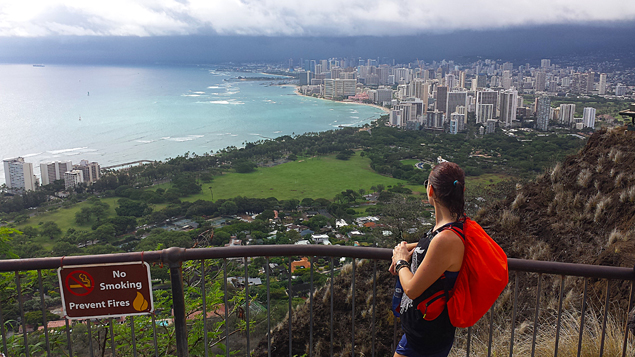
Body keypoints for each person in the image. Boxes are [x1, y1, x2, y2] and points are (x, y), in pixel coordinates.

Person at [390, 162, 466, 357]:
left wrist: (400, 262)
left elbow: (413, 289)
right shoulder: (450, 227)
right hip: (425, 329)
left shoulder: (446, 238)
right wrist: (409, 248)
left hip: (427, 335)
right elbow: (434, 247)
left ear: (430, 190)